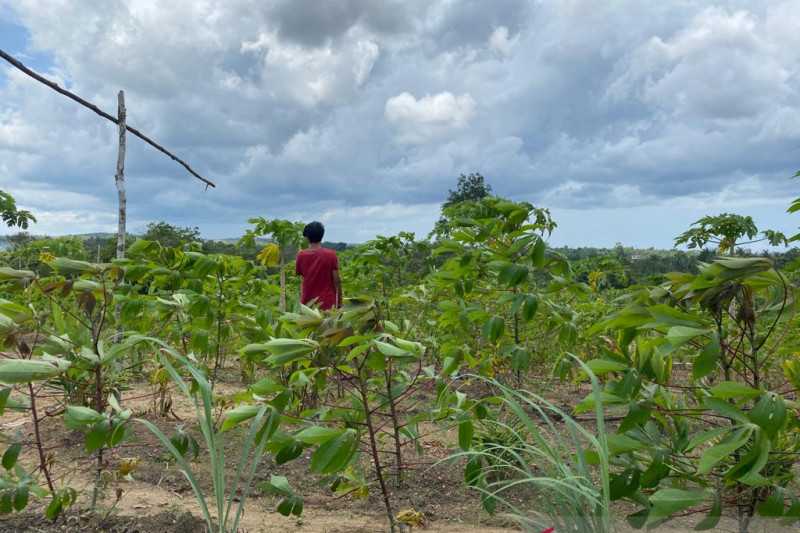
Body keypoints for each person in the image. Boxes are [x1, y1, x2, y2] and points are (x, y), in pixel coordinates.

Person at [295, 221, 342, 309]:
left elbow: (302, 279)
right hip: (328, 304)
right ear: (322, 235)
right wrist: (339, 302)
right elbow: (337, 281)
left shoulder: (301, 255)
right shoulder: (331, 255)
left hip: (308, 304)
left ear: (307, 237)